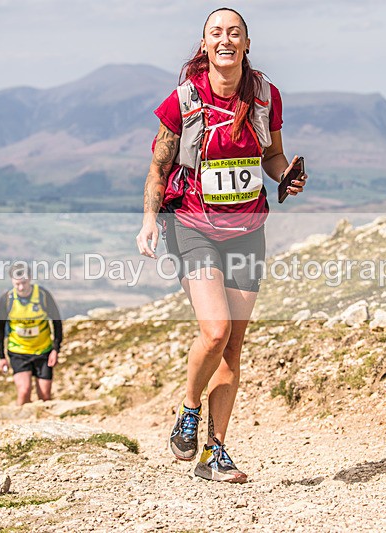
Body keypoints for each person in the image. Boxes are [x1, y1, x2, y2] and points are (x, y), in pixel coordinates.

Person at [136, 7, 307, 483]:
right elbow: (158, 167)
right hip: (191, 226)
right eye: (217, 33)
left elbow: (271, 156)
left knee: (232, 348)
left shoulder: (265, 97)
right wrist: (150, 220)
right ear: (205, 44)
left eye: (235, 32)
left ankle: (215, 453)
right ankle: (189, 409)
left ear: (247, 44)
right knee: (214, 331)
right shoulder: (184, 100)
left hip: (248, 229)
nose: (226, 39)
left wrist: (285, 177)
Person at [0, 263, 63, 406]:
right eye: (17, 284)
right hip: (18, 351)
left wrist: (55, 349)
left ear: (30, 279)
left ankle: (45, 425)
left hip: (43, 351)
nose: (20, 287)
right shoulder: (7, 299)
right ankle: (20, 426)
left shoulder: (43, 296)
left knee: (44, 395)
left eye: (24, 283)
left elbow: (57, 323)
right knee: (24, 391)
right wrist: (2, 357)